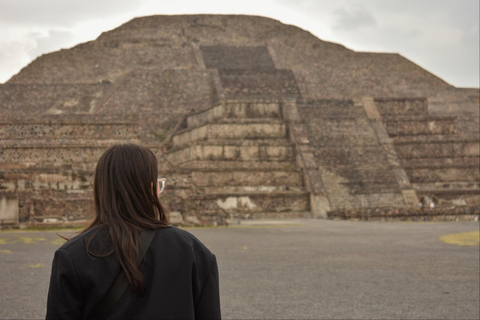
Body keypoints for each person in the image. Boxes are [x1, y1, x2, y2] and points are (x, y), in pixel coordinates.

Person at [46, 143, 221, 319]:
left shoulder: (73, 255)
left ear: (101, 189)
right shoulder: (195, 252)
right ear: (151, 189)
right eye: (159, 184)